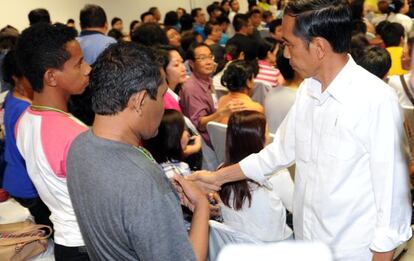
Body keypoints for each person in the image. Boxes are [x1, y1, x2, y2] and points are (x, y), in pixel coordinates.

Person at [189, 0, 412, 260]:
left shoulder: (376, 100)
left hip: (350, 251)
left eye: (288, 44)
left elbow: (392, 202)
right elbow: (277, 153)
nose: (284, 54)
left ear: (318, 47)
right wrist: (216, 178)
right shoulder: (308, 89)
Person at [67, 42, 209, 261]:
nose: (163, 107)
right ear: (140, 100)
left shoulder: (79, 146)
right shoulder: (143, 181)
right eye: (161, 96)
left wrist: (162, 199)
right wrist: (201, 206)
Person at [15, 23, 91, 260]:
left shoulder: (24, 120)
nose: (88, 69)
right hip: (87, 244)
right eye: (78, 64)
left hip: (64, 242)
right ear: (51, 76)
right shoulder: (74, 133)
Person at [219, 110, 294, 242]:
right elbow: (296, 208)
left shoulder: (222, 172)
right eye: (266, 131)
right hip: (275, 248)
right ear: (258, 138)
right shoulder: (278, 174)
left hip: (238, 247)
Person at [1, 50, 53, 229]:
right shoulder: (25, 110)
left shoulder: (12, 97)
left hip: (17, 178)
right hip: (27, 184)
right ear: (16, 77)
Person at [145, 109, 193, 177]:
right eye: (183, 130)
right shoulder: (178, 173)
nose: (188, 134)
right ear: (172, 138)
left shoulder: (153, 166)